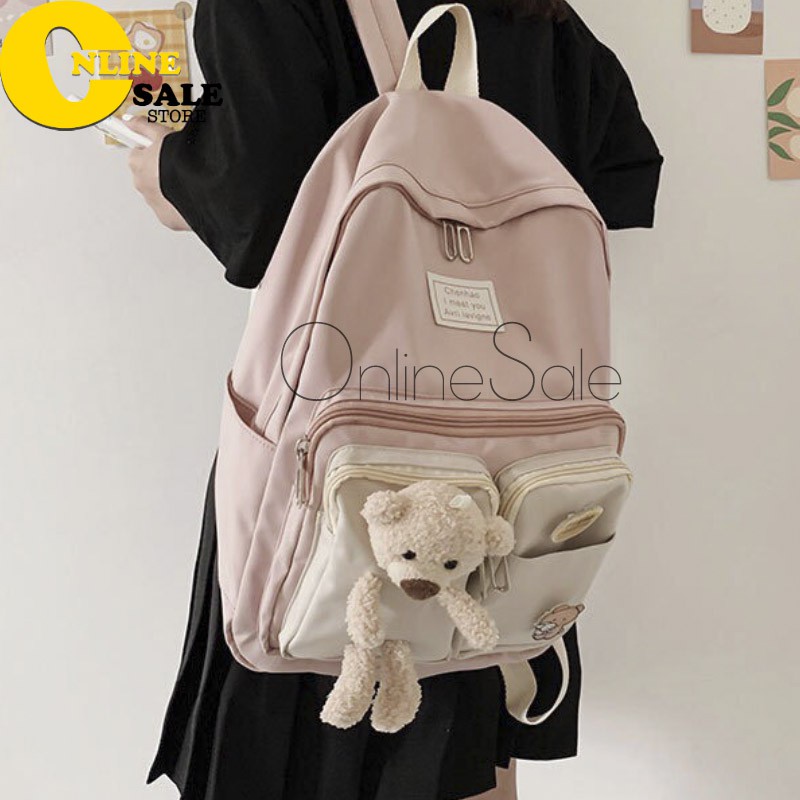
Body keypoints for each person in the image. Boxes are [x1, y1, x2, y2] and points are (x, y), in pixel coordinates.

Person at [130, 2, 663, 799]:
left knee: (295, 740)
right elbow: (620, 174)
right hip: (506, 466)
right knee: (470, 738)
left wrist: (167, 171)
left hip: (342, 469)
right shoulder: (540, 15)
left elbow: (258, 212)